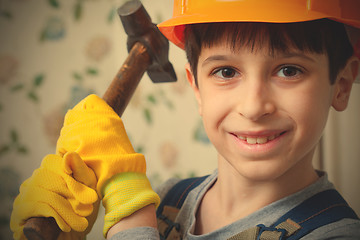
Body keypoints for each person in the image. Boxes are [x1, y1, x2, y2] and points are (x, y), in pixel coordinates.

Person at [10, 0, 360, 239]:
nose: (254, 107)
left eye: (288, 70)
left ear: (340, 86)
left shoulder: (333, 232)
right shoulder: (168, 201)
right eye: (226, 71)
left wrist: (129, 210)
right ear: (197, 89)